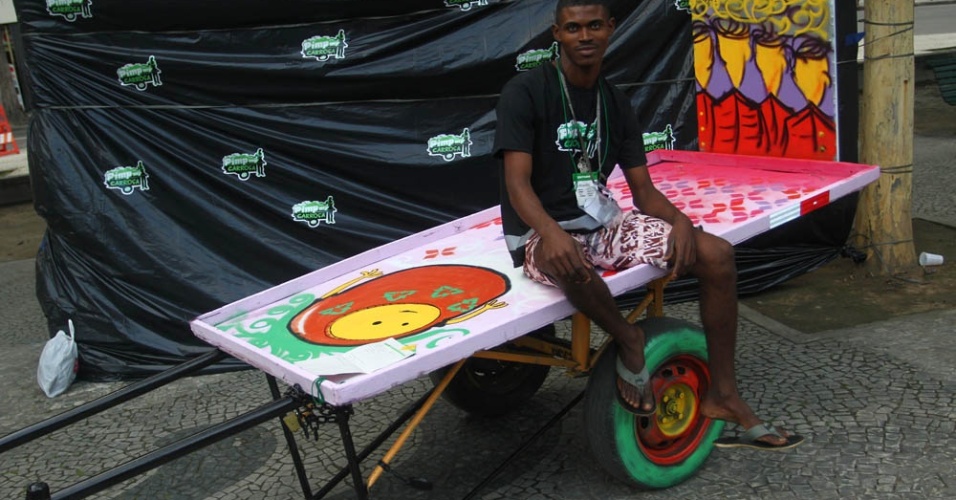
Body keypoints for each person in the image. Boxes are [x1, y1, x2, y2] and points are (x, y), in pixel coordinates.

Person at [493, 0, 803, 450]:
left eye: (595, 26)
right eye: (574, 27)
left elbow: (642, 191)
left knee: (716, 254)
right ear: (557, 34)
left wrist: (680, 221)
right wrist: (555, 233)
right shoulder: (526, 90)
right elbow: (517, 185)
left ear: (610, 29)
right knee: (567, 259)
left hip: (601, 223)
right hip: (540, 231)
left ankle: (723, 394)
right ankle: (629, 337)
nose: (585, 36)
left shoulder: (615, 101)